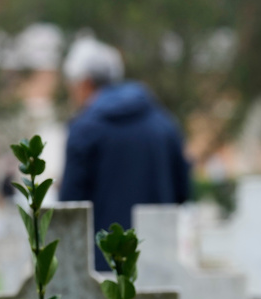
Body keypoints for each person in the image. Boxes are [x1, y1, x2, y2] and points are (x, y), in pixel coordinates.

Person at [59, 36, 191, 272]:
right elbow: (183, 191)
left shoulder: (85, 129)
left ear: (85, 83)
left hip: (103, 265)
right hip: (159, 261)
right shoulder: (164, 123)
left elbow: (70, 209)